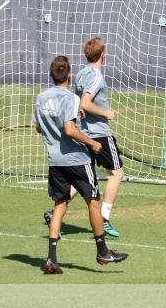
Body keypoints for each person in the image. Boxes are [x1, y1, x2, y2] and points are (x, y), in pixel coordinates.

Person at [33, 55, 127, 274]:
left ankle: (51, 259)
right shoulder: (72, 98)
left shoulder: (41, 98)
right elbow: (70, 130)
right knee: (94, 202)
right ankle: (102, 251)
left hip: (55, 161)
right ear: (69, 75)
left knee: (60, 205)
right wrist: (93, 143)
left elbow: (39, 127)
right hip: (78, 159)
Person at [43, 37, 124, 238]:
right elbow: (85, 104)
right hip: (99, 134)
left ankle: (54, 214)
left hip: (82, 134)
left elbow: (77, 102)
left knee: (83, 179)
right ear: (102, 55)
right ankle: (104, 217)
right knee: (117, 173)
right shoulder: (96, 76)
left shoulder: (79, 75)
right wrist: (106, 113)